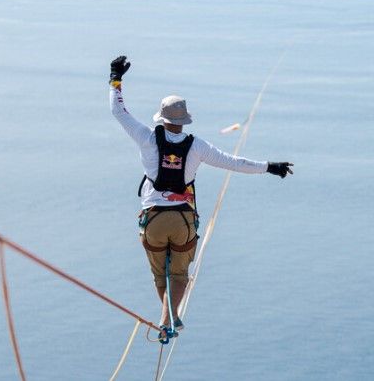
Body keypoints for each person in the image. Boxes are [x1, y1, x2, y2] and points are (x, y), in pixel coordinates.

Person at [107, 56, 292, 341]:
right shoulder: (198, 147)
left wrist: (115, 79)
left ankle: (168, 317)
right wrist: (270, 167)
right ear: (183, 121)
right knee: (179, 275)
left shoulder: (146, 138)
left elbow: (119, 112)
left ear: (161, 118)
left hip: (153, 219)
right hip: (182, 220)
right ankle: (170, 317)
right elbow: (235, 163)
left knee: (160, 275)